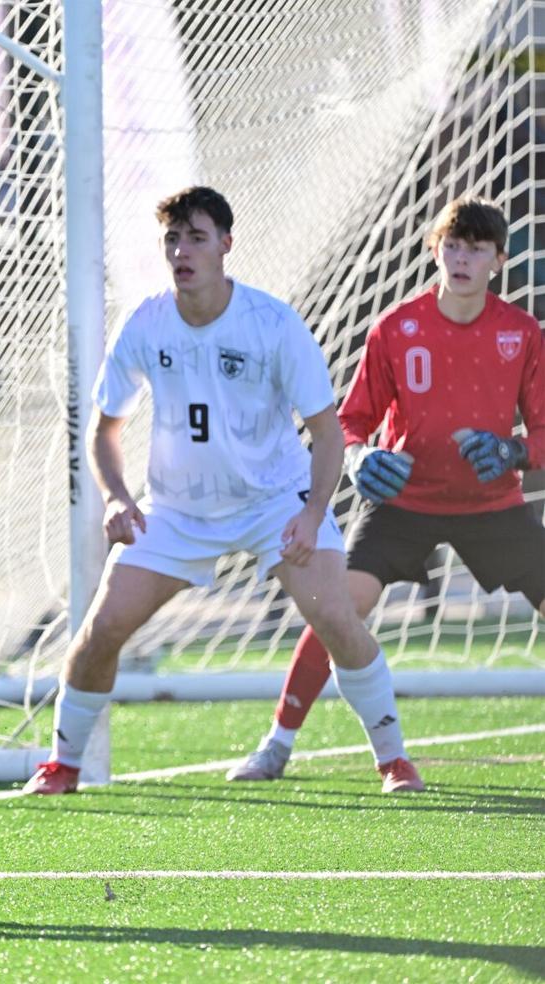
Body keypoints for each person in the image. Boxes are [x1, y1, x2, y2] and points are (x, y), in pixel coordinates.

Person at [23, 186, 424, 798]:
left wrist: (314, 514)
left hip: (274, 502)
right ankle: (62, 766)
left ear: (226, 246)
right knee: (102, 629)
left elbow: (325, 431)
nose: (182, 251)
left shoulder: (272, 323)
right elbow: (103, 429)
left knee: (338, 621)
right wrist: (116, 498)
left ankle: (394, 760)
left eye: (197, 238)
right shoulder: (146, 321)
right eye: (173, 239)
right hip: (178, 512)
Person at [228, 195, 545, 782]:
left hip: (492, 504)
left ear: (499, 260)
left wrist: (515, 450)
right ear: (433, 249)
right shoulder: (395, 328)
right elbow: (350, 421)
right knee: (335, 611)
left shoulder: (522, 333)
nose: (461, 258)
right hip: (405, 503)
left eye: (476, 249)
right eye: (452, 245)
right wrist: (358, 457)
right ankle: (276, 745)